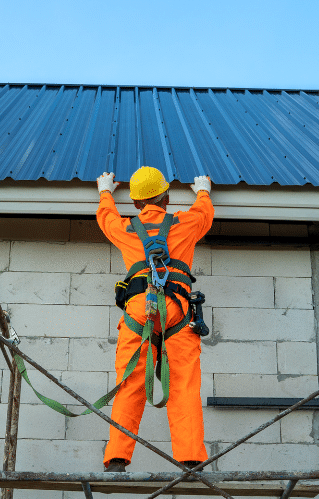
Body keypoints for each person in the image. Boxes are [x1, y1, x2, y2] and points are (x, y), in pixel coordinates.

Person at [95, 166, 214, 472]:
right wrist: (203, 190)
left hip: (140, 311)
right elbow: (204, 214)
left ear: (135, 203)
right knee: (184, 385)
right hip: (178, 310)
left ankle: (117, 459)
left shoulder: (126, 228)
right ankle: (190, 460)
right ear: (166, 197)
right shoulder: (185, 223)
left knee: (130, 382)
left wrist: (105, 191)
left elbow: (106, 219)